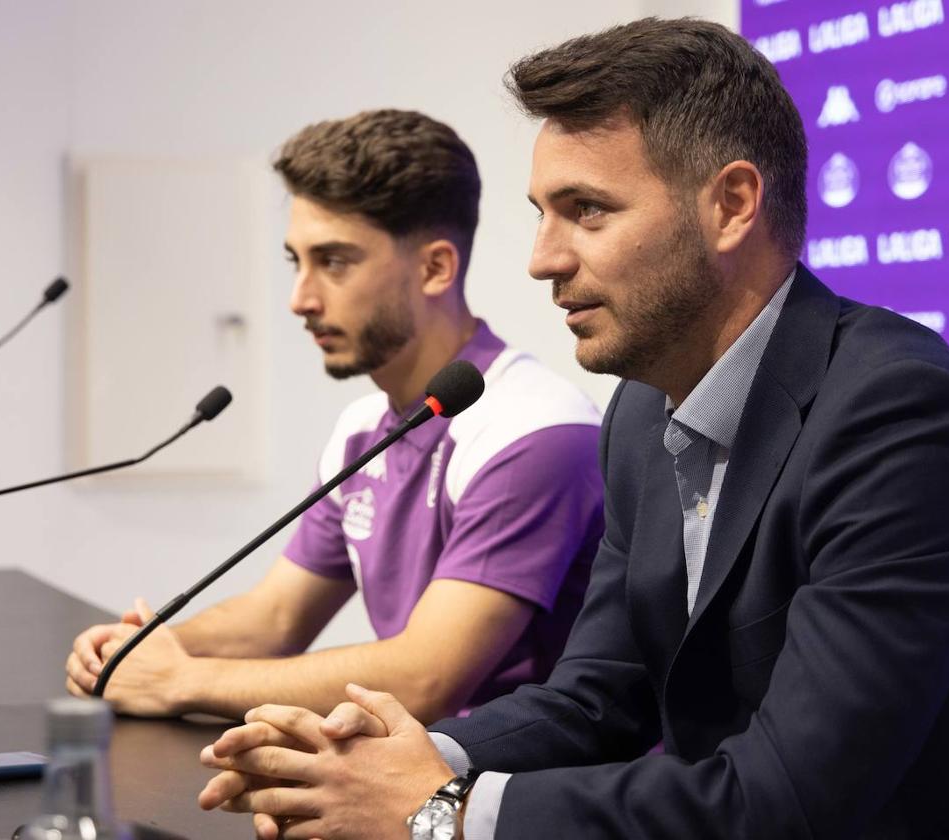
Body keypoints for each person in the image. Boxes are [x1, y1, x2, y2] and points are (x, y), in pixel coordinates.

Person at [194, 18, 949, 840]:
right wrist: (402, 754)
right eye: (541, 213)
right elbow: (597, 698)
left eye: (587, 210)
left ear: (731, 205)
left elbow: (788, 798)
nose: (543, 258)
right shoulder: (642, 409)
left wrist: (442, 812)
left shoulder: (904, 420)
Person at [64, 109, 604, 723]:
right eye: (297, 261)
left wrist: (182, 680)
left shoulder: (534, 432)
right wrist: (142, 652)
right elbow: (277, 617)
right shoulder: (361, 429)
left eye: (335, 262)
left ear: (435, 268)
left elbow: (425, 678)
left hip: (532, 799)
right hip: (423, 777)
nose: (302, 299)